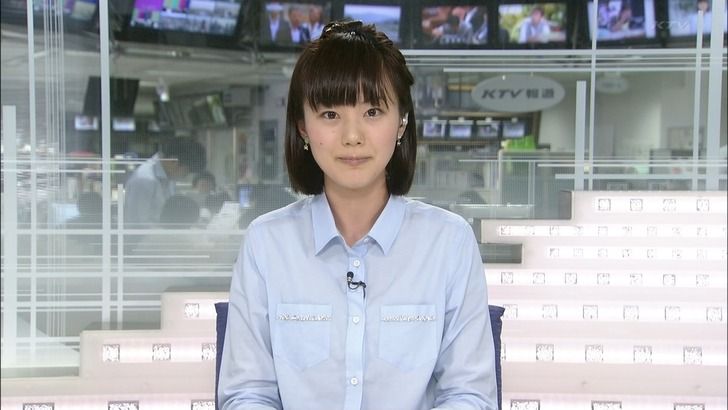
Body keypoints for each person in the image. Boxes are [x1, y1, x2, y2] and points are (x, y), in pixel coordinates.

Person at [218, 20, 498, 410]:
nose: (352, 136)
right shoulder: (266, 244)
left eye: (372, 111)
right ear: (303, 127)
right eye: (330, 114)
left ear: (401, 122)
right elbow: (248, 393)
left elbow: (469, 394)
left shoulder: (449, 243)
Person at [123, 138, 206, 228]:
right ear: (173, 162)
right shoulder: (145, 180)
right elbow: (138, 225)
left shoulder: (167, 175)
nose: (185, 176)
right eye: (186, 172)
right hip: (148, 235)